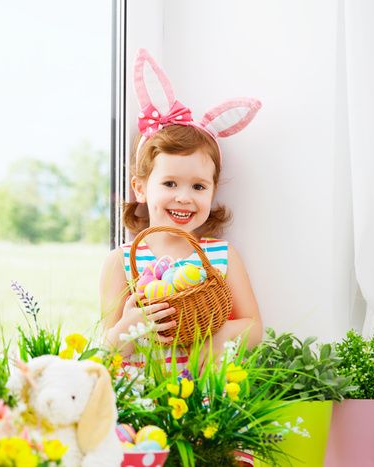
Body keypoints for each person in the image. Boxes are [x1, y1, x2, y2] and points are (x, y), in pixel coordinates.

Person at [100, 48, 263, 370]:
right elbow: (108, 349)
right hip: (144, 402)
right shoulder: (121, 261)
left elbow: (253, 325)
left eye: (198, 186)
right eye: (170, 184)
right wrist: (131, 326)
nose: (184, 197)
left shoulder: (222, 256)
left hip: (206, 399)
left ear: (213, 191)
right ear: (140, 188)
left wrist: (223, 335)